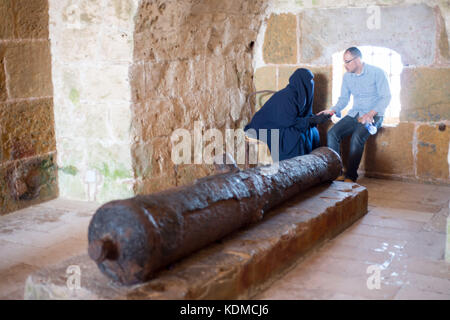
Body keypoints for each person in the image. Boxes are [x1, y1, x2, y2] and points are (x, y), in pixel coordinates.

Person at [318, 47, 391, 182]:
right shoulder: (347, 77)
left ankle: (351, 176)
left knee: (357, 137)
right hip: (355, 114)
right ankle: (337, 172)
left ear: (357, 60)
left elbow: (386, 97)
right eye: (344, 62)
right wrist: (333, 110)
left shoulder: (377, 73)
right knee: (332, 133)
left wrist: (370, 114)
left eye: (347, 62)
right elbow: (344, 99)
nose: (345, 65)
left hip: (374, 115)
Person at [244, 68, 330, 162]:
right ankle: (295, 168)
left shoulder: (302, 96)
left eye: (311, 81)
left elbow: (304, 115)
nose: (310, 84)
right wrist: (312, 120)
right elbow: (288, 122)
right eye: (308, 81)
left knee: (313, 132)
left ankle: (312, 165)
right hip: (268, 126)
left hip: (287, 122)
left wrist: (316, 118)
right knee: (294, 136)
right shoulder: (286, 96)